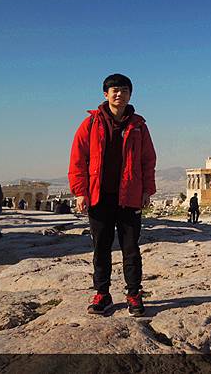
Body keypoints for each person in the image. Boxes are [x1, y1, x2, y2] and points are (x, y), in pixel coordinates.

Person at [69, 73, 156, 317]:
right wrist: (80, 192)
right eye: (114, 90)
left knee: (131, 248)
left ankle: (134, 294)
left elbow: (148, 160)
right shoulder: (91, 123)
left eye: (124, 90)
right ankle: (102, 294)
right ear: (105, 94)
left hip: (129, 197)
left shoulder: (139, 125)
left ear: (130, 94)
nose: (119, 94)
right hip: (100, 196)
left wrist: (147, 189)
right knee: (101, 247)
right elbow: (78, 159)